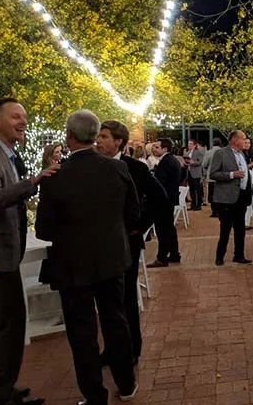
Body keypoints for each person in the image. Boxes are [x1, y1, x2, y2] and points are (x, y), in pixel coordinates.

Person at [36, 110, 139, 405]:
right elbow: (133, 213)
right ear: (94, 136)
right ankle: (127, 383)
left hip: (73, 265)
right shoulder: (116, 169)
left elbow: (43, 229)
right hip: (112, 260)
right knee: (116, 322)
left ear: (69, 136)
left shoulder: (55, 176)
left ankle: (95, 395)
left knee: (82, 331)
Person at [0, 98, 54, 405]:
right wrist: (32, 181)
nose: (23, 121)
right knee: (5, 327)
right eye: (16, 116)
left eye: (24, 116)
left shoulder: (5, 154)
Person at [97, 120, 167, 367]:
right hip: (101, 243)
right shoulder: (95, 167)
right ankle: (111, 349)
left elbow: (160, 198)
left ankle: (132, 348)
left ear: (118, 142)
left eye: (104, 137)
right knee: (107, 300)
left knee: (126, 296)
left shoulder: (135, 168)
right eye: (98, 136)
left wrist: (140, 226)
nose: (98, 141)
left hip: (127, 241)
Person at [209, 130, 253, 266]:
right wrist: (232, 175)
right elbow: (213, 174)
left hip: (241, 196)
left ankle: (239, 255)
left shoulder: (242, 154)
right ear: (234, 140)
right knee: (225, 229)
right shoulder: (221, 153)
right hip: (226, 198)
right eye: (243, 139)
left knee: (240, 229)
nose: (245, 142)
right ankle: (220, 256)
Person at [146, 139, 182, 267]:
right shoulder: (172, 160)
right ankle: (174, 254)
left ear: (165, 149)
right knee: (169, 228)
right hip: (169, 200)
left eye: (157, 147)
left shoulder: (166, 161)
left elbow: (160, 183)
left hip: (163, 201)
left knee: (163, 230)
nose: (154, 149)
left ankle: (162, 257)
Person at [203, 138, 222, 217]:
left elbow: (204, 164)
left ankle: (214, 211)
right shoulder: (224, 152)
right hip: (221, 177)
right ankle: (221, 210)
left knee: (212, 194)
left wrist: (208, 169)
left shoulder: (209, 152)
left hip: (212, 176)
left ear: (213, 143)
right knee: (221, 194)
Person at [185, 139, 205, 211]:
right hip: (189, 173)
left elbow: (200, 162)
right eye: (188, 144)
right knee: (192, 190)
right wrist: (186, 162)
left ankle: (198, 205)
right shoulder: (187, 153)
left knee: (197, 190)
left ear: (194, 145)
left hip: (196, 173)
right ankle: (193, 205)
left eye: (190, 144)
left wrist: (193, 162)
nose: (189, 145)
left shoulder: (198, 152)